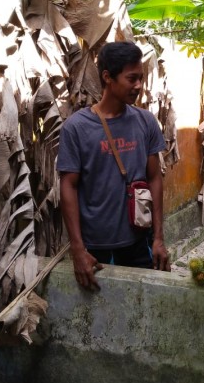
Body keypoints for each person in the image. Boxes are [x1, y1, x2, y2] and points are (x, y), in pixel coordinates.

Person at [57, 41, 171, 290]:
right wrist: (78, 249)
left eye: (140, 78)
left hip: (138, 241)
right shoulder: (76, 128)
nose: (138, 86)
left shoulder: (146, 122)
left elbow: (155, 179)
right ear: (108, 77)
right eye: (131, 79)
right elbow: (68, 187)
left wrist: (159, 239)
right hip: (94, 247)